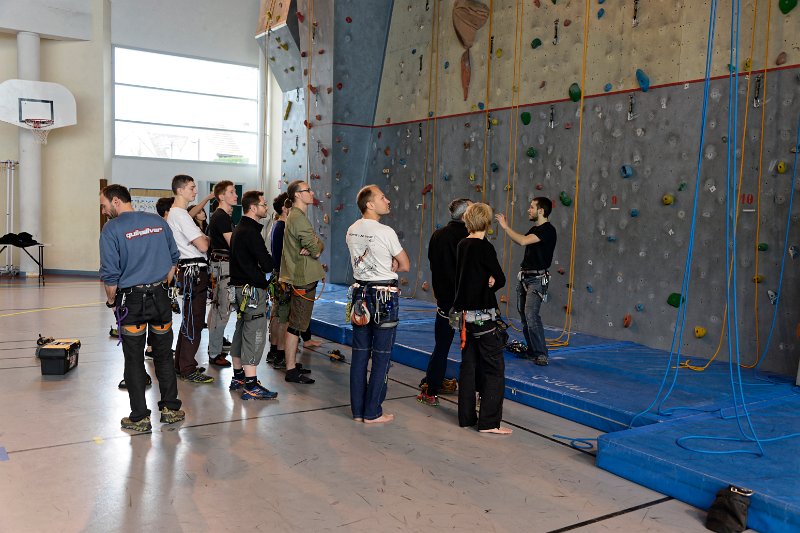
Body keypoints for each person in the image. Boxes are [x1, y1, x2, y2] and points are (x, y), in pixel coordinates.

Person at [99, 184, 185, 432]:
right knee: (162, 356)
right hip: (160, 298)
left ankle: (139, 418)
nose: (104, 211)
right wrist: (162, 285)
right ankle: (170, 409)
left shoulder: (112, 229)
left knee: (134, 361)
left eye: (104, 206)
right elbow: (173, 259)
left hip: (131, 302)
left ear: (116, 201)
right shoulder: (158, 223)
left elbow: (111, 276)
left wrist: (112, 301)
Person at [346, 185, 410, 423]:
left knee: (360, 354)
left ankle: (358, 411)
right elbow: (405, 265)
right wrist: (392, 260)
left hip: (360, 294)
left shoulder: (352, 229)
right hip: (383, 295)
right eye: (382, 197)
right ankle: (372, 411)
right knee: (382, 355)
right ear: (370, 204)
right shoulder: (386, 231)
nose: (388, 200)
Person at [453, 203, 511, 434]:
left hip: (464, 315)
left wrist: (488, 279)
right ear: (487, 223)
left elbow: (470, 276)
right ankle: (489, 422)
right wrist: (493, 280)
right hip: (483, 315)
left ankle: (466, 417)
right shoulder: (485, 248)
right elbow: (500, 278)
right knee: (494, 369)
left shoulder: (462, 244)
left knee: (469, 366)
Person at [417, 198, 472, 406]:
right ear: (466, 215)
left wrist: (440, 292)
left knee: (441, 346)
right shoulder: (471, 238)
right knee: (470, 349)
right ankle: (470, 392)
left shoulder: (438, 235)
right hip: (466, 301)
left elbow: (434, 266)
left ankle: (431, 387)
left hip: (445, 301)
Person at [227, 190, 279, 399]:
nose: (266, 208)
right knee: (254, 334)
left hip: (241, 290)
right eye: (263, 204)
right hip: (252, 291)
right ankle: (250, 384)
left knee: (241, 330)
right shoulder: (250, 232)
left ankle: (239, 376)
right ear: (253, 208)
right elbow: (267, 263)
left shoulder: (240, 228)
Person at [496, 197, 557, 366]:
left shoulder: (547, 230)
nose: (528, 210)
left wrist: (505, 227)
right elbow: (521, 239)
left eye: (531, 207)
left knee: (531, 315)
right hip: (525, 277)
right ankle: (532, 350)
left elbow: (522, 241)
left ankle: (541, 353)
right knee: (524, 316)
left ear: (541, 211)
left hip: (537, 280)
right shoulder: (535, 229)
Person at [168, 174, 214, 383]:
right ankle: (187, 367)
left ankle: (181, 363)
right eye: (192, 188)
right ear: (180, 190)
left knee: (190, 320)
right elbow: (203, 246)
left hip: (190, 271)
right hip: (194, 271)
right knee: (194, 321)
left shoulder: (180, 214)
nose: (195, 191)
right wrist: (205, 238)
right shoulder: (180, 215)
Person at [267, 193, 321, 369]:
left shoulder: (278, 225)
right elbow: (313, 247)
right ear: (285, 207)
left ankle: (275, 351)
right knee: (285, 317)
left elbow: (315, 244)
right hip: (286, 274)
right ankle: (282, 355)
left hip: (280, 274)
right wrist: (314, 246)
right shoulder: (284, 226)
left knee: (278, 314)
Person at [279, 180, 325, 384]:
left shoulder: (298, 217)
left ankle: (291, 365)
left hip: (303, 277)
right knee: (295, 325)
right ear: (298, 195)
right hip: (303, 278)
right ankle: (290, 369)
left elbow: (319, 244)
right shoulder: (298, 219)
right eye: (307, 190)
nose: (311, 192)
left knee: (296, 324)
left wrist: (315, 245)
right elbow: (315, 248)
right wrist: (314, 247)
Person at [206, 180, 238, 368]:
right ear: (221, 196)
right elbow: (233, 243)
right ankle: (215, 352)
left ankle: (216, 348)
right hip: (223, 268)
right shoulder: (221, 217)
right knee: (221, 312)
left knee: (221, 311)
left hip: (223, 267)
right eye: (232, 192)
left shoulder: (222, 216)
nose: (235, 195)